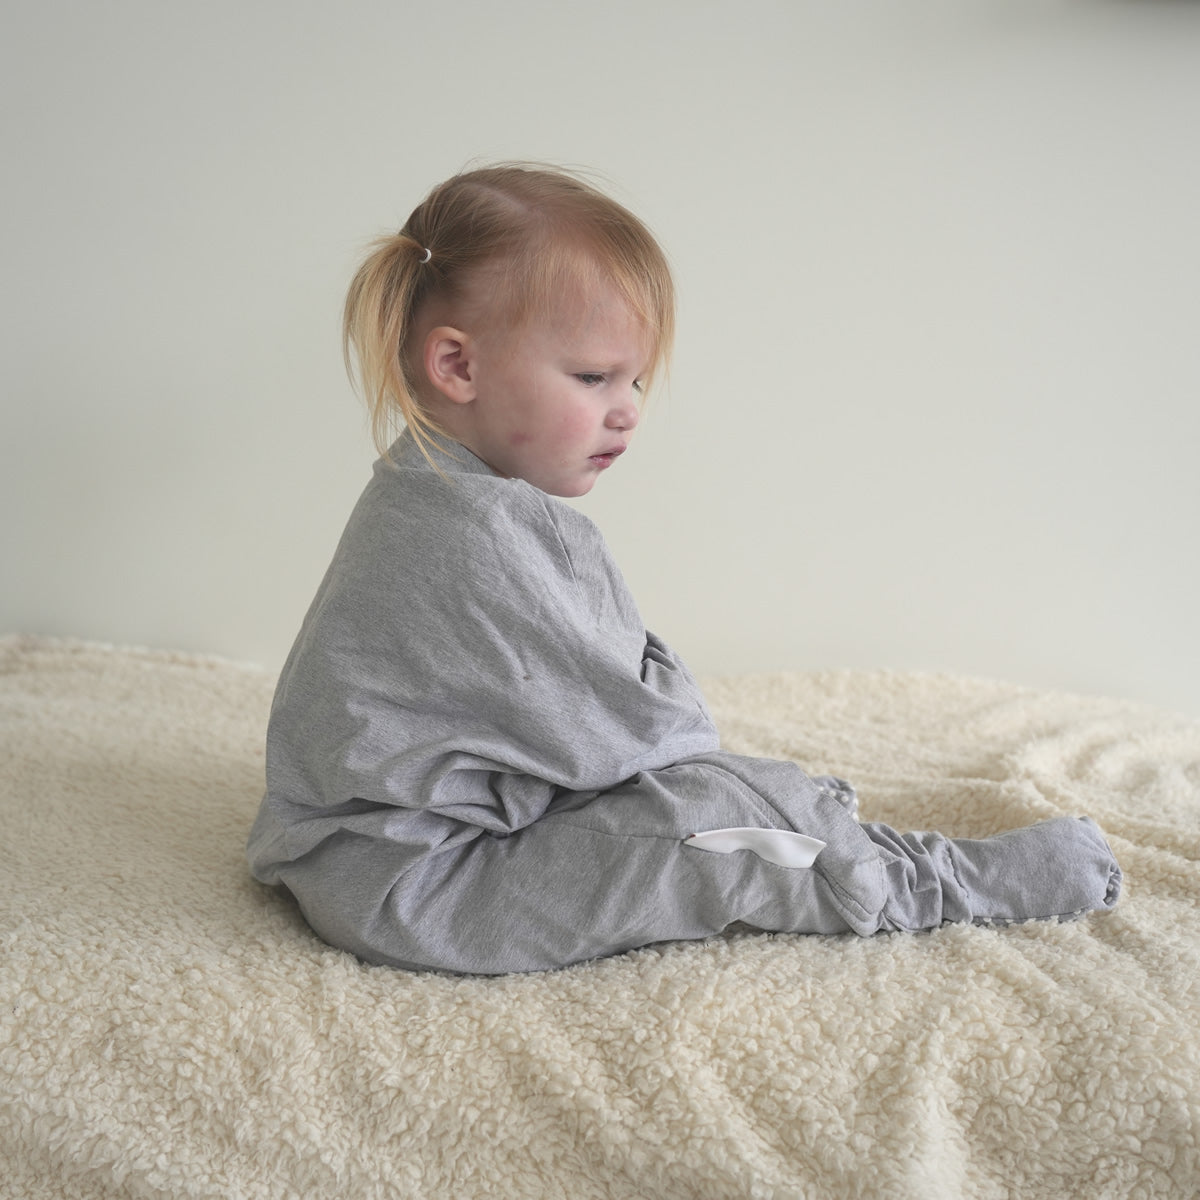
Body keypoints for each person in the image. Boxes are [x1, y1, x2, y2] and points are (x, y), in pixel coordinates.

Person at [246, 163, 1121, 974]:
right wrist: (719, 765)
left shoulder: (424, 486)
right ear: (458, 365)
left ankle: (809, 823)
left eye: (634, 383)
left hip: (349, 853)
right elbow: (653, 738)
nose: (627, 411)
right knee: (714, 824)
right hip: (420, 888)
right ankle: (935, 883)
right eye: (594, 377)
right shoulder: (478, 541)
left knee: (719, 793)